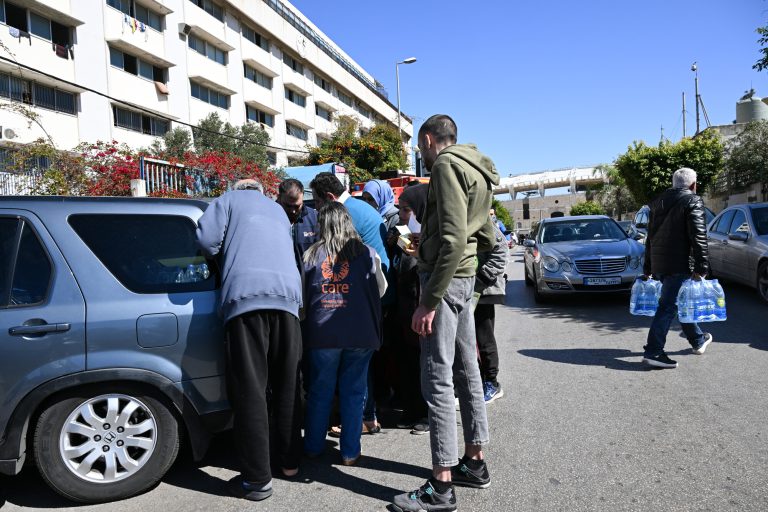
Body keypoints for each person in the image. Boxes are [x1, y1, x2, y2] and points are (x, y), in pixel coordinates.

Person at [393, 115, 499, 512]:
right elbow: (483, 234)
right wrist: (433, 241)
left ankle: (441, 487)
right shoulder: (478, 167)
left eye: (419, 147)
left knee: (438, 379)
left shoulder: (444, 165)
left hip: (445, 279)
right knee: (467, 372)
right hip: (463, 277)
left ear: (427, 140)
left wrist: (428, 300)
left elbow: (454, 239)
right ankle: (474, 462)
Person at [195, 186, 303, 502]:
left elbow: (205, 242)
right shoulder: (278, 210)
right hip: (289, 302)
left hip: (246, 301)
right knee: (287, 386)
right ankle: (290, 463)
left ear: (236, 188)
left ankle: (257, 481)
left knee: (250, 391)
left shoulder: (226, 201)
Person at [302, 202, 388, 465]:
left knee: (320, 390)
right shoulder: (367, 253)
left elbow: (303, 301)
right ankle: (350, 452)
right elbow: (381, 289)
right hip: (360, 333)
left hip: (323, 334)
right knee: (354, 392)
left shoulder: (310, 256)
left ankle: (314, 447)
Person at [642, 167, 712, 369]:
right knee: (667, 307)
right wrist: (702, 266)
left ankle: (698, 340)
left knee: (678, 303)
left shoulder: (657, 202)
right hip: (679, 263)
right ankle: (654, 351)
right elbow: (699, 236)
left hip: (660, 264)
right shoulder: (692, 200)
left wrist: (648, 266)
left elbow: (650, 239)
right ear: (693, 185)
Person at [392, 183, 430, 434]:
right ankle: (412, 409)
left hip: (423, 309)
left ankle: (427, 415)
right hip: (405, 309)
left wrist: (406, 246)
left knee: (425, 365)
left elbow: (409, 267)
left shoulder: (428, 234)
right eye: (401, 210)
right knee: (408, 364)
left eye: (406, 210)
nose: (401, 215)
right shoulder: (402, 233)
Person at [474, 222, 509, 403]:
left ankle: (492, 383)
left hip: (483, 291)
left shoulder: (481, 221)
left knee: (484, 338)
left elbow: (501, 250)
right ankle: (477, 382)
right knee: (467, 341)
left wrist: (482, 278)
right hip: (465, 290)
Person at [277, 178, 318, 255]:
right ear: (279, 197)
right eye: (288, 206)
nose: (293, 211)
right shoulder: (268, 218)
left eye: (297, 206)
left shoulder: (316, 218)